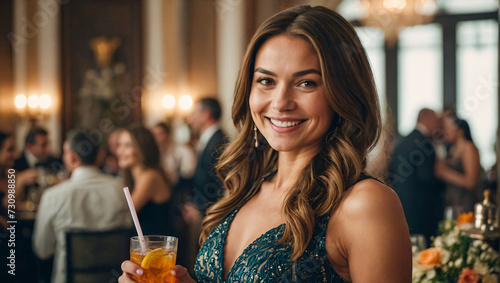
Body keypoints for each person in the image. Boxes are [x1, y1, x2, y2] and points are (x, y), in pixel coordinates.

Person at [120, 5, 411, 282]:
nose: (281, 102)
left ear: (343, 93)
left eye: (306, 83)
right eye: (266, 81)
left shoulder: (366, 204)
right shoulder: (245, 188)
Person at [32, 130, 132, 283]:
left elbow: (43, 250)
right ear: (100, 155)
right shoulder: (121, 189)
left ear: (71, 157)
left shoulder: (53, 196)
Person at [389, 108, 445, 246]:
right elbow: (426, 178)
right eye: (436, 120)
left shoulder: (402, 141)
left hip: (402, 204)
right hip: (422, 208)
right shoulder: (425, 143)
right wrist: (444, 185)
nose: (439, 125)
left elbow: (391, 170)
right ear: (425, 120)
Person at [116, 125, 173, 236]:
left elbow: (125, 215)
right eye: (119, 145)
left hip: (156, 248)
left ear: (142, 148)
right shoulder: (135, 177)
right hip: (143, 246)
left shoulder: (150, 176)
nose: (119, 151)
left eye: (127, 145)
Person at [185, 98, 228, 216]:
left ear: (206, 115)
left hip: (211, 213)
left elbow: (217, 182)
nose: (190, 120)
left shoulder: (219, 142)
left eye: (193, 114)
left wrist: (200, 208)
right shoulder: (212, 139)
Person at [435, 116, 482, 214]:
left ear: (460, 130)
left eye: (448, 128)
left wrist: (445, 173)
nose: (445, 132)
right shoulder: (450, 149)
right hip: (452, 205)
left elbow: (471, 182)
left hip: (466, 204)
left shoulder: (468, 148)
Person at [151, 122, 196, 187]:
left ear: (168, 134)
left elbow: (189, 173)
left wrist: (175, 176)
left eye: (159, 134)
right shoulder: (154, 153)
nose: (156, 138)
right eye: (154, 135)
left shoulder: (183, 150)